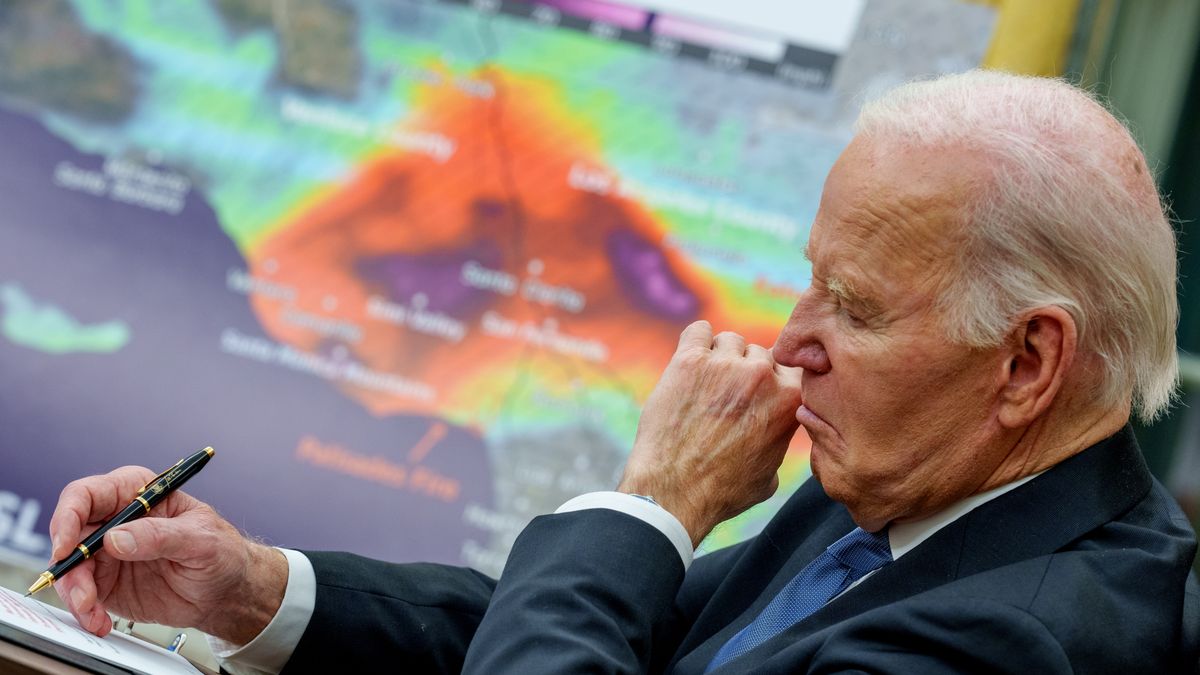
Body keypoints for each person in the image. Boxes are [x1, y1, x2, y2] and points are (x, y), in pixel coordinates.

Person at [46, 70, 1198, 673]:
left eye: (854, 308)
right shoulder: (916, 492)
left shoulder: (1022, 640)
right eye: (811, 283)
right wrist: (252, 590)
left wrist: (658, 502)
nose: (789, 343)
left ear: (1025, 364)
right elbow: (589, 636)